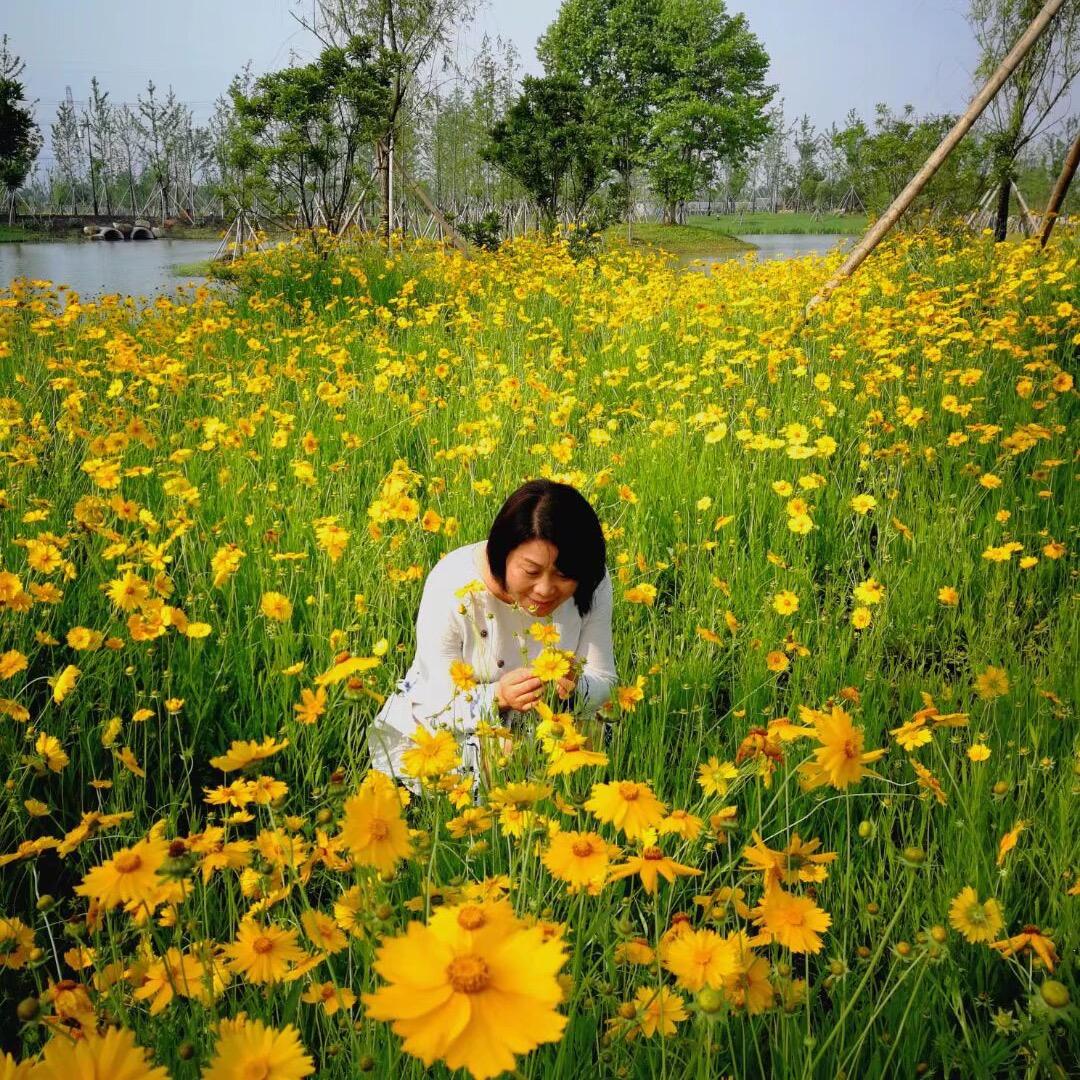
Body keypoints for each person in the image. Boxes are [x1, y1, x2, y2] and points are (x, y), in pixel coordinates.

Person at [366, 479, 617, 789]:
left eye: (564, 576)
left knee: (580, 762)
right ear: (503, 551)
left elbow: (605, 681)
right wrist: (497, 697)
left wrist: (576, 687)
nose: (545, 589)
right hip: (457, 720)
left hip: (553, 721)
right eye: (531, 571)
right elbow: (435, 697)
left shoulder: (593, 581)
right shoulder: (454, 582)